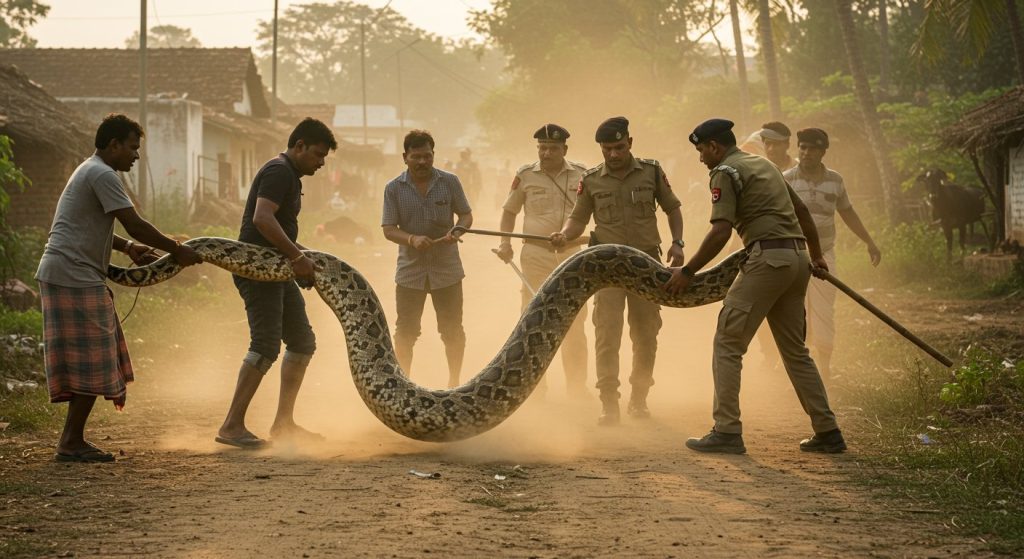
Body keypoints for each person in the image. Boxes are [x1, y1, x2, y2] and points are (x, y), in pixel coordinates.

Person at [664, 118, 845, 454]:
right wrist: (817, 256)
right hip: (796, 260)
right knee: (795, 351)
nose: (701, 157)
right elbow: (802, 210)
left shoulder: (725, 172)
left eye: (702, 150)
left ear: (715, 146)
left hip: (766, 259)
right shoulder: (764, 164)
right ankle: (828, 430)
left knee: (727, 342)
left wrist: (688, 271)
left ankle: (727, 430)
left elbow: (720, 231)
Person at [35, 113, 203, 462]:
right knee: (94, 358)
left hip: (70, 273)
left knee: (94, 356)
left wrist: (127, 248)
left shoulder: (91, 170)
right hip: (72, 274)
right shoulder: (102, 173)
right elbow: (135, 223)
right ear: (113, 145)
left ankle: (72, 440)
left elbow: (93, 224)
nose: (136, 156)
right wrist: (177, 249)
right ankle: (70, 442)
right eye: (132, 147)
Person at [550, 116, 684, 425]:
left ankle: (639, 399)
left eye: (619, 147)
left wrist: (677, 243)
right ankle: (609, 403)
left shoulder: (651, 171)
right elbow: (578, 219)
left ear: (630, 144)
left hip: (647, 266)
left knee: (646, 333)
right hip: (607, 269)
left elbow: (673, 207)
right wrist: (565, 235)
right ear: (600, 148)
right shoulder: (593, 179)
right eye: (607, 149)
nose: (613, 154)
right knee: (607, 335)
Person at [217, 117, 337, 449]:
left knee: (301, 341)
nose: (321, 162)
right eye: (317, 154)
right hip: (257, 269)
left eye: (324, 157)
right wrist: (298, 258)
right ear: (299, 146)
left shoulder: (290, 175)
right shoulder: (279, 171)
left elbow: (277, 224)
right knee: (266, 344)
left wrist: (300, 258)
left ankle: (284, 424)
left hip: (277, 268)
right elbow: (262, 218)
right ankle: (231, 426)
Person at [495, 123, 590, 398]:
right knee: (534, 321)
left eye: (553, 148)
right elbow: (509, 212)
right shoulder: (525, 175)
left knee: (575, 321)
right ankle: (534, 388)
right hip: (535, 255)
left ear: (565, 150)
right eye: (542, 148)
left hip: (572, 254)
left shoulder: (583, 174)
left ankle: (577, 388)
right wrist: (505, 243)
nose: (546, 153)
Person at [785, 128, 881, 378]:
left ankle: (825, 368)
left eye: (812, 149)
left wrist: (869, 241)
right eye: (802, 147)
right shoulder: (785, 179)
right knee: (795, 311)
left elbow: (847, 212)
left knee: (824, 310)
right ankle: (797, 369)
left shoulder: (835, 180)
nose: (806, 153)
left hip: (825, 254)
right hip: (795, 253)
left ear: (823, 152)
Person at [382, 130, 473, 388]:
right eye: (416, 157)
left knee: (452, 330)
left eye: (427, 156)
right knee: (406, 333)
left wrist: (458, 230)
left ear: (433, 155)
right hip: (410, 272)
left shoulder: (450, 181)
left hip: (448, 270)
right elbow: (389, 229)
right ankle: (403, 385)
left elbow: (466, 215)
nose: (422, 162)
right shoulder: (393, 188)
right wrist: (412, 239)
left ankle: (455, 381)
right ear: (405, 157)